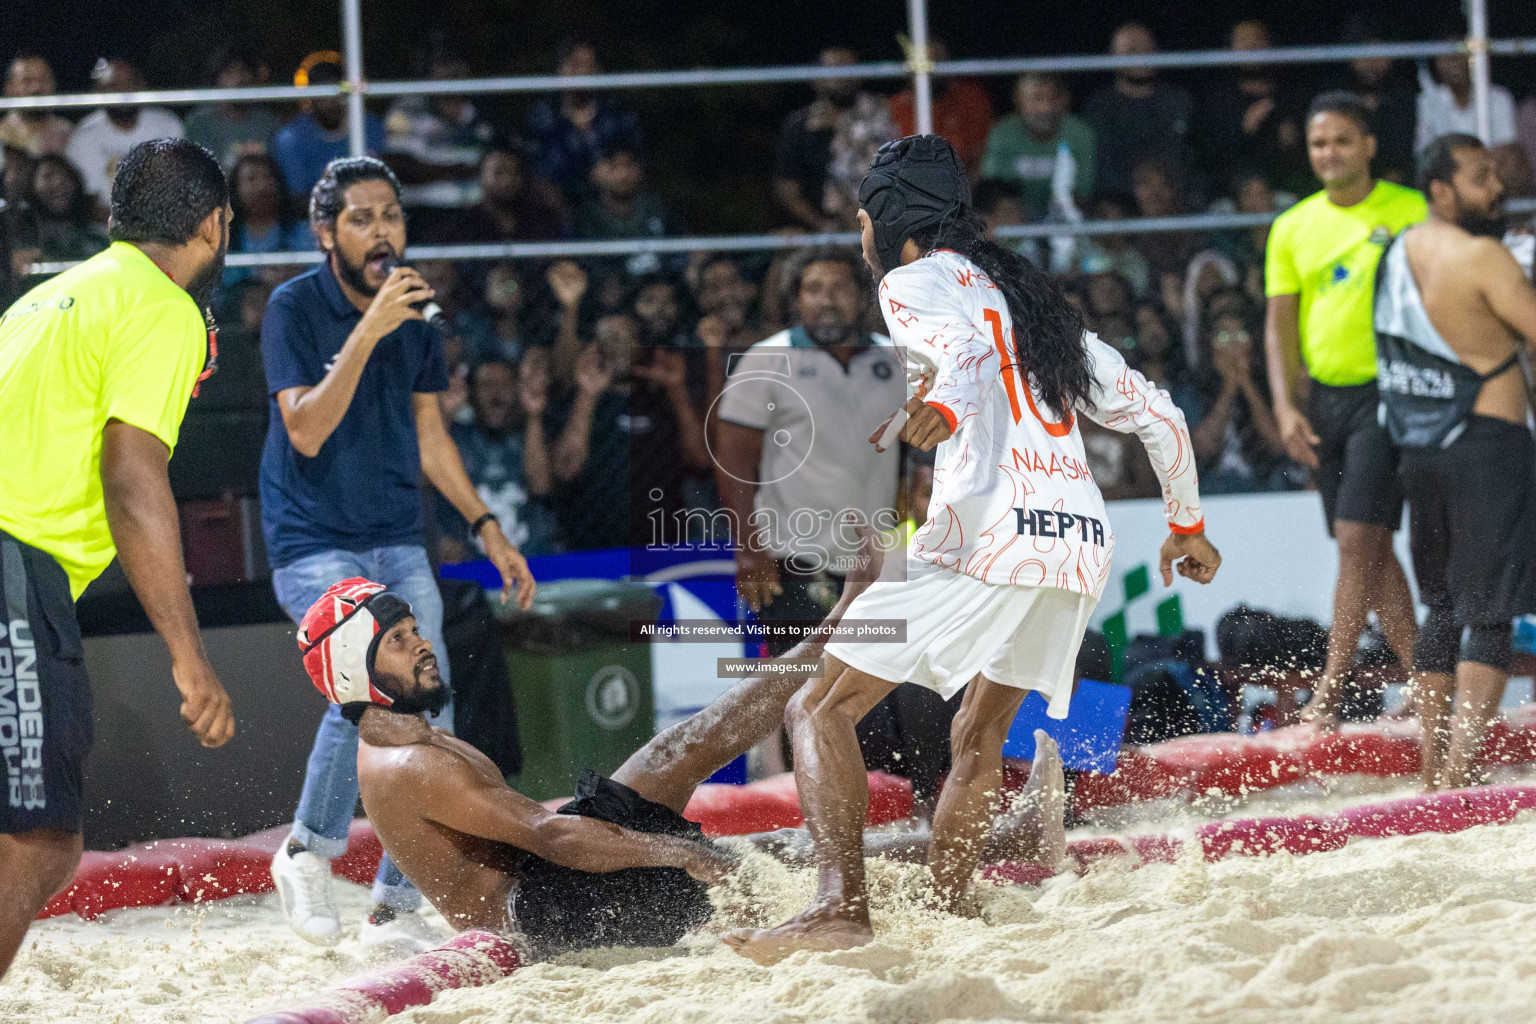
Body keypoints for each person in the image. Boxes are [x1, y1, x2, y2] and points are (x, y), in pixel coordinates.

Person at [723, 135, 1220, 963]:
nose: (857, 234)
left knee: (817, 707)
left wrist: (947, 411)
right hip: (1076, 544)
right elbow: (1158, 414)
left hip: (992, 533)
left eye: (861, 217)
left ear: (888, 219)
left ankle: (839, 907)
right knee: (978, 738)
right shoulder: (1038, 305)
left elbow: (959, 357)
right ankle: (952, 911)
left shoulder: (911, 280)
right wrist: (1187, 525)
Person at [301, 524, 1067, 956]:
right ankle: (1006, 835)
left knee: (687, 743)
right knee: (771, 853)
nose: (422, 644)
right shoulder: (406, 762)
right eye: (399, 641)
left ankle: (845, 621)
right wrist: (677, 851)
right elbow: (547, 836)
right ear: (354, 673)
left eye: (411, 630)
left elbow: (536, 828)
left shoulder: (411, 732)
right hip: (553, 912)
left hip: (554, 868)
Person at [260, 156, 536, 953]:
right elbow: (305, 426)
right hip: (311, 537)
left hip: (393, 530)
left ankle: (395, 904)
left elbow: (428, 433)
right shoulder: (293, 309)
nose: (380, 230)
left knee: (425, 691)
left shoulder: (418, 314)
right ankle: (308, 851)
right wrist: (370, 327)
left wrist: (485, 524)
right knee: (367, 672)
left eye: (391, 215)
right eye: (361, 217)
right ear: (326, 233)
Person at [0, 138, 235, 980]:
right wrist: (190, 658)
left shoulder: (48, 297)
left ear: (116, 219)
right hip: (13, 561)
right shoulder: (163, 308)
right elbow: (134, 480)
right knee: (40, 840)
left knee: (38, 846)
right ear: (214, 224)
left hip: (18, 560)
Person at [1374, 134, 1536, 789]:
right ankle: (1462, 774)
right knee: (1489, 612)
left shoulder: (1395, 252)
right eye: (1478, 177)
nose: (1495, 188)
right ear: (1439, 190)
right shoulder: (1483, 256)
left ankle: (1434, 772)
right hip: (1488, 447)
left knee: (1442, 606)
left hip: (1417, 447)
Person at [1263, 92, 1427, 728]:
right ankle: (1423, 680)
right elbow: (1277, 328)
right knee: (1368, 546)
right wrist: (1284, 404)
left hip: (1391, 391)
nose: (1328, 153)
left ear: (1369, 146)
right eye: (1317, 143)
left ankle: (1331, 684)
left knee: (1359, 536)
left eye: (1340, 140)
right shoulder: (1292, 226)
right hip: (1323, 402)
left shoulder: (1411, 211)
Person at [714, 246, 904, 642]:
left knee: (871, 693)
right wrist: (749, 552)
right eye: (814, 289)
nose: (827, 300)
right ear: (796, 300)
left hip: (877, 561)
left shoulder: (897, 359)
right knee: (797, 688)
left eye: (840, 288)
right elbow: (732, 462)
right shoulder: (766, 359)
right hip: (791, 560)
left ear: (862, 297)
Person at [438, 356, 558, 561]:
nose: (497, 392)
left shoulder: (530, 435)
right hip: (470, 562)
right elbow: (422, 480)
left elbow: (541, 487)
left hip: (532, 560)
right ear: (471, 393)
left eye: (505, 384)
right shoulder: (455, 438)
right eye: (486, 384)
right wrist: (445, 414)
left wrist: (534, 415)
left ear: (518, 390)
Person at [523, 36, 643, 201]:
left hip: (607, 205)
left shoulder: (618, 112)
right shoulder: (542, 115)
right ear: (560, 69)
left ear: (599, 70)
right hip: (554, 205)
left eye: (588, 65)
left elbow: (634, 164)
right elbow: (532, 169)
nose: (581, 72)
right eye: (574, 65)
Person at [1194, 20, 1305, 197]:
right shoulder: (1215, 98)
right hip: (1232, 195)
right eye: (1244, 40)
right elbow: (1206, 157)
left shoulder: (1293, 93)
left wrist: (1293, 142)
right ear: (1229, 49)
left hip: (1287, 190)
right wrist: (1242, 129)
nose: (1252, 47)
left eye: (1258, 39)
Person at [1082, 23, 1193, 199]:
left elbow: (1189, 160)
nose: (1141, 56)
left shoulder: (1178, 101)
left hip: (1172, 198)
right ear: (1113, 56)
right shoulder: (1100, 106)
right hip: (1121, 201)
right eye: (1131, 51)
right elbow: (1102, 168)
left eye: (1146, 49)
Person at [66, 59, 184, 209]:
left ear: (142, 86)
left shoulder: (167, 125)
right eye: (114, 86)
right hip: (106, 228)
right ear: (99, 91)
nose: (123, 92)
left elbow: (178, 189)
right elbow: (90, 204)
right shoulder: (84, 134)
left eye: (130, 84)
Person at [382, 55, 496, 209]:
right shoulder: (406, 111)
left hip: (473, 210)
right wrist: (454, 170)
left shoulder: (486, 113)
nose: (449, 84)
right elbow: (398, 166)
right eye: (442, 76)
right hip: (419, 210)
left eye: (456, 75)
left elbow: (497, 165)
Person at [980, 73, 1095, 222]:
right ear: (1019, 101)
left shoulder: (1079, 133)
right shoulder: (1003, 133)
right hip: (1016, 221)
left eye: (1053, 98)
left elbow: (1083, 194)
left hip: (1064, 221)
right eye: (1036, 99)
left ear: (1065, 100)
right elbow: (994, 191)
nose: (1045, 108)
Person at [773, 47, 861, 232]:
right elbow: (787, 190)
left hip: (874, 226)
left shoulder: (878, 117)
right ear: (816, 79)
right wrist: (822, 225)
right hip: (819, 230)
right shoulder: (799, 126)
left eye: (850, 68)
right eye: (835, 69)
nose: (844, 76)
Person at [271, 61, 386, 199]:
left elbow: (384, 180)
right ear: (311, 96)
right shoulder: (290, 137)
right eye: (323, 92)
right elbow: (297, 199)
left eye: (337, 91)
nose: (331, 101)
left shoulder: (368, 125)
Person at [887, 39, 993, 172]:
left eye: (936, 60)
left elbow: (983, 155)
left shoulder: (971, 99)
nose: (930, 70)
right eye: (924, 61)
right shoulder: (894, 107)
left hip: (962, 184)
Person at [428, 146, 566, 245]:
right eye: (498, 172)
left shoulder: (541, 220)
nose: (507, 180)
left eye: (513, 173)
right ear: (481, 175)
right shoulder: (462, 224)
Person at [183, 49, 282, 170]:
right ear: (217, 79)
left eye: (244, 71)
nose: (239, 78)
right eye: (230, 72)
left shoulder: (267, 121)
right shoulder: (200, 122)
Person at [225, 152, 314, 285]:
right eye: (251, 179)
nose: (262, 187)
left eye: (267, 177)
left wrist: (297, 273)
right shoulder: (226, 240)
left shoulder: (303, 233)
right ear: (236, 190)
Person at [1415, 45, 1516, 155]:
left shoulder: (1499, 98)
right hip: (1447, 170)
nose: (1454, 62)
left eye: (1460, 56)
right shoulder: (1428, 101)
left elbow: (1506, 148)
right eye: (1446, 57)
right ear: (1436, 63)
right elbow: (1424, 152)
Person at [0, 53, 72, 159]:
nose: (36, 88)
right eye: (27, 81)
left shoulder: (69, 134)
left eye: (43, 80)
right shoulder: (1, 135)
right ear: (9, 89)